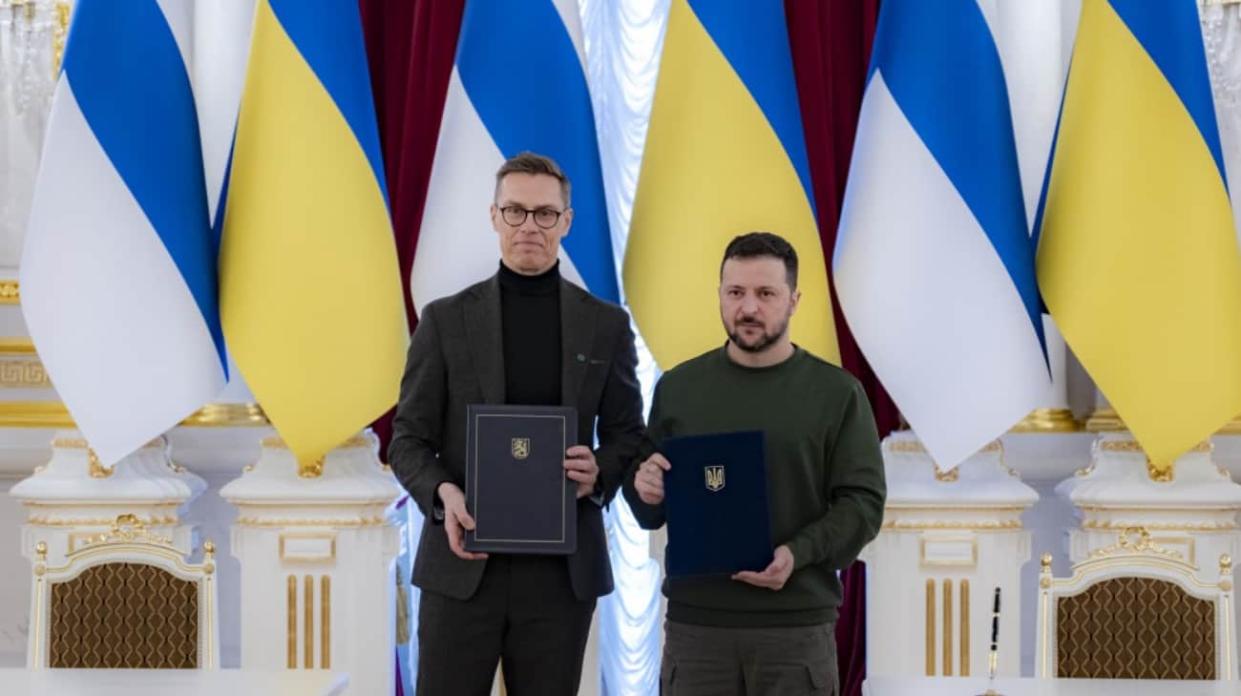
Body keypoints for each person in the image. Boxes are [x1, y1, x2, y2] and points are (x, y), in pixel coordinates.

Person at [389, 152, 644, 696]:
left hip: (560, 574)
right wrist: (443, 494)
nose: (530, 225)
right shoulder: (443, 320)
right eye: (516, 211)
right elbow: (407, 439)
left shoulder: (605, 326)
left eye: (545, 214)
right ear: (494, 216)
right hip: (463, 566)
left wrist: (599, 469)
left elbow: (630, 436)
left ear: (566, 222)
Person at [623, 231, 886, 696]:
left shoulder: (838, 394)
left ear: (794, 299)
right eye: (736, 292)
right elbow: (650, 502)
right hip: (697, 631)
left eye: (766, 294)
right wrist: (644, 488)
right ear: (720, 295)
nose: (749, 308)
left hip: (794, 630)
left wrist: (796, 553)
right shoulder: (679, 388)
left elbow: (862, 505)